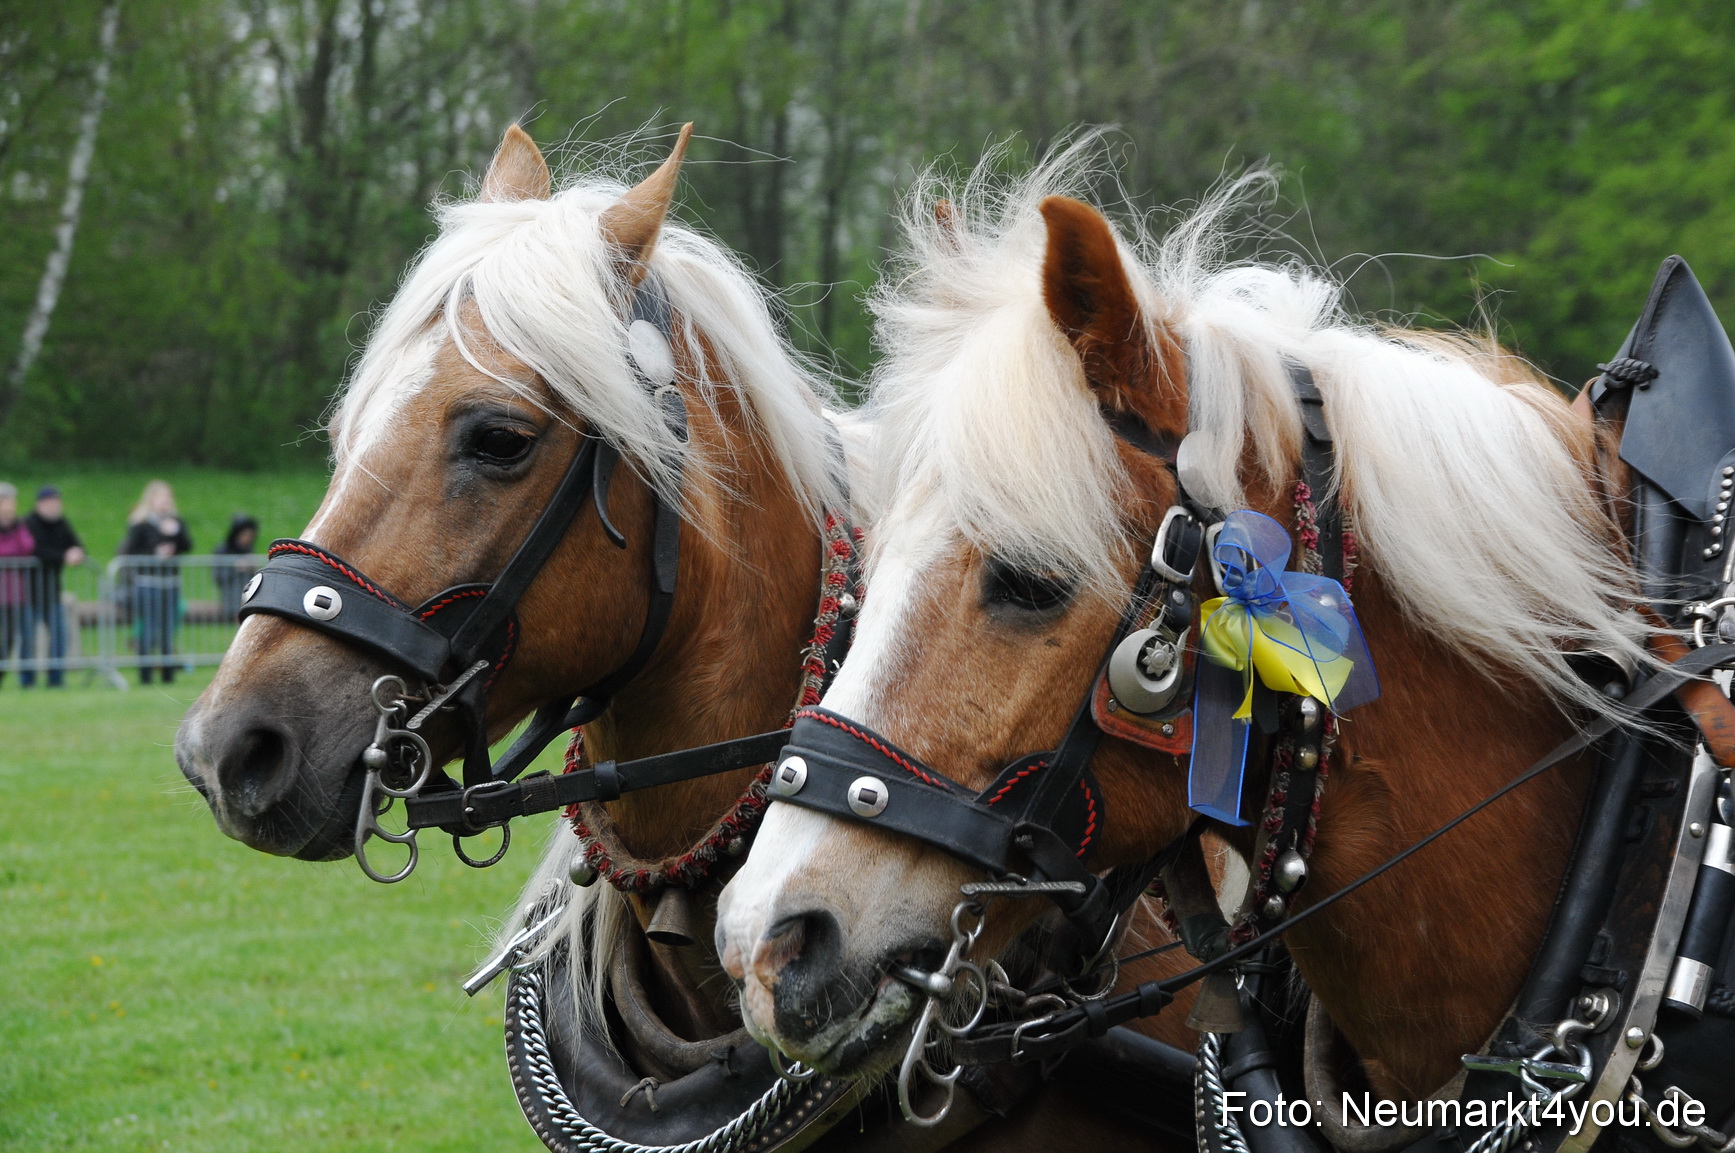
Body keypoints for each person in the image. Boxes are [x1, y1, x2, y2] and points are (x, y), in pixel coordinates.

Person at [119, 480, 191, 685]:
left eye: (168, 497)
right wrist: (155, 553)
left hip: (170, 583)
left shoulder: (176, 522)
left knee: (168, 630)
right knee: (148, 629)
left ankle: (168, 675)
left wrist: (174, 533)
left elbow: (187, 545)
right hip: (147, 583)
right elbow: (131, 550)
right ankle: (145, 676)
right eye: (162, 497)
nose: (166, 501)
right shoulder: (140, 524)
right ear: (151, 499)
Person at [21, 485, 85, 688]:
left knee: (59, 635)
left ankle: (55, 678)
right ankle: (27, 680)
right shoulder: (29, 523)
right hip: (28, 591)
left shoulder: (61, 524)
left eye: (56, 502)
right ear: (39, 504)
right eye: (49, 502)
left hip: (51, 590)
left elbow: (76, 544)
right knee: (28, 638)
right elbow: (34, 550)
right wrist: (63, 556)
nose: (53, 506)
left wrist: (77, 552)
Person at [0, 483, 33, 687]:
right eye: (5, 502)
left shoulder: (19, 525)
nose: (9, 507)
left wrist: (14, 528)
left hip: (13, 595)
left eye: (12, 502)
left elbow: (27, 548)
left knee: (10, 638)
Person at [212, 513, 259, 620]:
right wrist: (236, 568)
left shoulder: (248, 551)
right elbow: (218, 576)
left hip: (247, 598)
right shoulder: (223, 550)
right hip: (231, 598)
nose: (247, 539)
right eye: (244, 535)